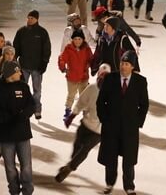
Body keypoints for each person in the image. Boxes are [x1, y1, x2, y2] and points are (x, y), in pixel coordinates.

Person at [97, 51, 149, 195]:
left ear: (132, 66)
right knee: (110, 158)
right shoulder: (110, 79)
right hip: (111, 126)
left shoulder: (140, 82)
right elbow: (101, 102)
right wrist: (104, 120)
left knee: (129, 159)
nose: (123, 67)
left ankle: (129, 186)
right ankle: (109, 183)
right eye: (122, 63)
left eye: (126, 64)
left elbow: (144, 105)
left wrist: (137, 123)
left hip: (129, 128)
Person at [56, 64, 110, 184]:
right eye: (102, 76)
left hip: (99, 131)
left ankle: (69, 168)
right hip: (85, 125)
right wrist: (72, 116)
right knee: (77, 147)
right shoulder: (92, 89)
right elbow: (81, 102)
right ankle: (71, 163)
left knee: (84, 150)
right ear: (98, 77)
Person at [0, 60, 35, 195]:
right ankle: (14, 191)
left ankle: (27, 191)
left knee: (26, 167)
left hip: (23, 134)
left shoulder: (23, 87)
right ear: (11, 73)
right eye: (18, 70)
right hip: (6, 135)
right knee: (10, 168)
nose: (20, 73)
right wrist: (7, 119)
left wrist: (24, 115)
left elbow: (31, 105)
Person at [12, 10, 51, 121]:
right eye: (28, 18)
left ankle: (37, 110)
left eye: (32, 18)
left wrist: (44, 63)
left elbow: (47, 49)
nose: (29, 20)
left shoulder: (42, 32)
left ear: (37, 19)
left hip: (37, 68)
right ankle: (21, 108)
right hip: (23, 66)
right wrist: (15, 61)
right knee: (21, 89)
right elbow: (16, 47)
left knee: (37, 91)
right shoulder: (21, 31)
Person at [58, 29, 93, 121]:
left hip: (83, 77)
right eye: (75, 39)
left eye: (79, 39)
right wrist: (62, 67)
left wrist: (90, 65)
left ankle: (85, 113)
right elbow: (62, 58)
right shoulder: (68, 48)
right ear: (72, 40)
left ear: (83, 40)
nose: (77, 41)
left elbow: (91, 59)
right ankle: (67, 111)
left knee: (84, 95)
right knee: (71, 95)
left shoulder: (86, 49)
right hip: (72, 77)